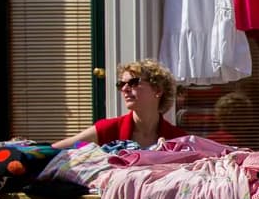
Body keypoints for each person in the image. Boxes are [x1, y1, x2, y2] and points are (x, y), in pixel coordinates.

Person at [53, 59, 188, 148]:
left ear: (157, 90)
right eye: (121, 84)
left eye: (133, 83)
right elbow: (58, 149)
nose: (124, 89)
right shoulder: (108, 129)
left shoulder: (178, 139)